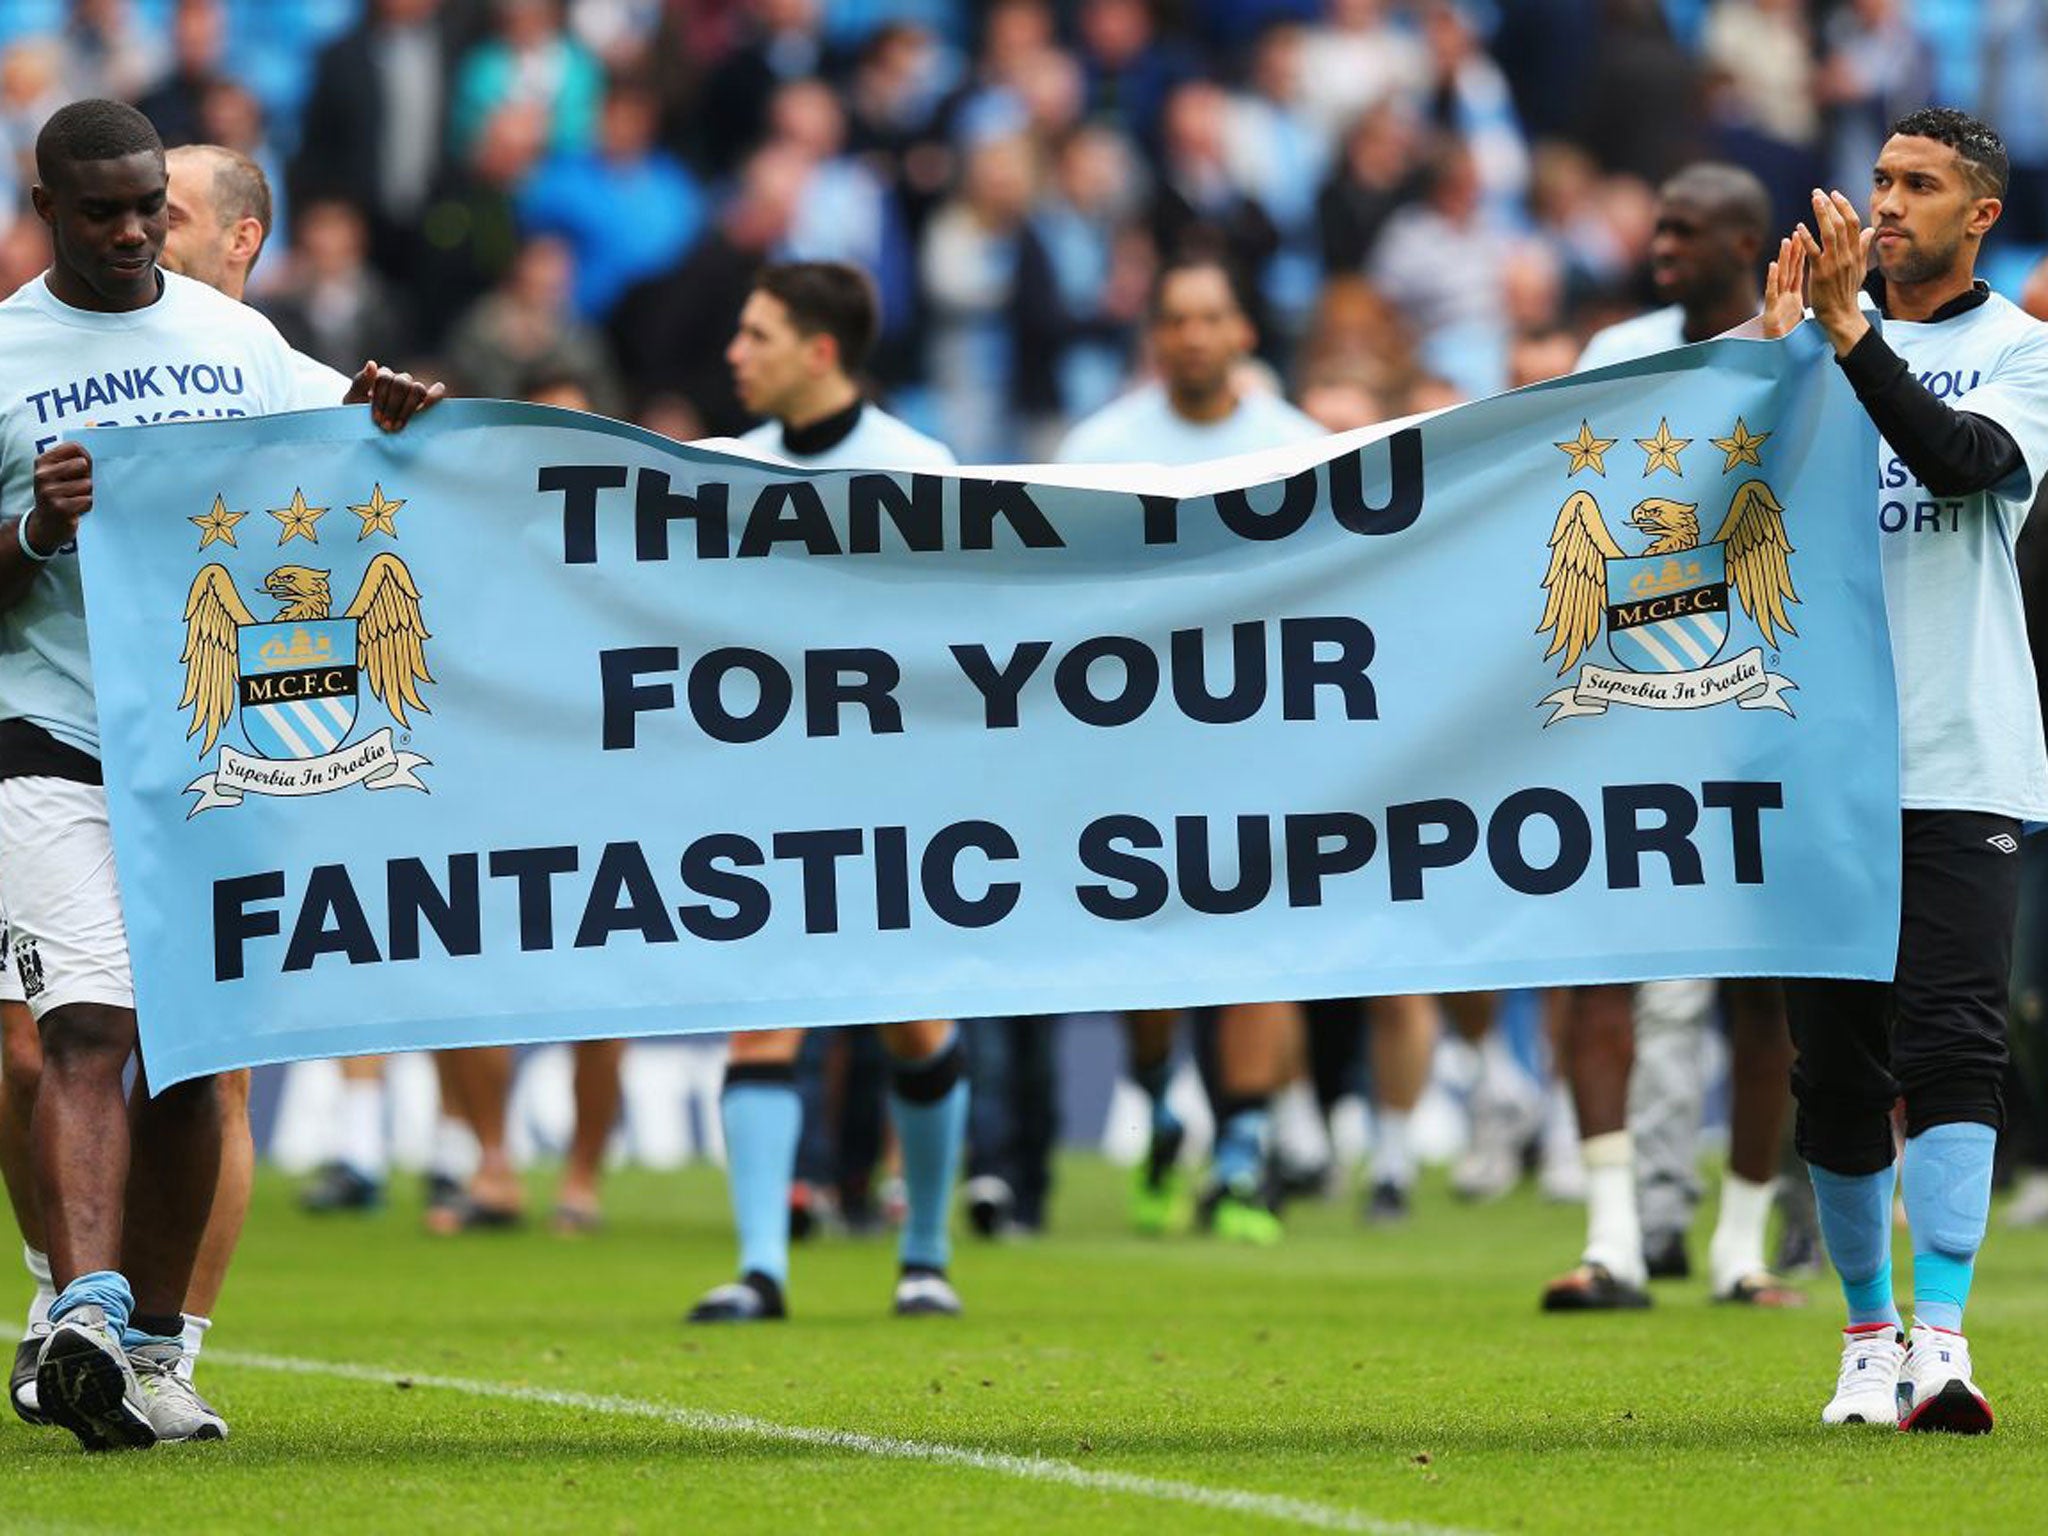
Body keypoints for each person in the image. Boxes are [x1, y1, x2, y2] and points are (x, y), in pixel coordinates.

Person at [0, 100, 438, 1452]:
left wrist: (406, 415)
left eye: (150, 206)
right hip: (53, 731)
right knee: (84, 1023)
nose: (134, 232)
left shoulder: (236, 340)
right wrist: (32, 526)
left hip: (220, 745)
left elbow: (364, 443)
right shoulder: (5, 353)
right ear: (48, 209)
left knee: (199, 1056)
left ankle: (150, 1349)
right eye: (103, 212)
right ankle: (81, 1305)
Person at [1762, 107, 2048, 1432]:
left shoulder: (2019, 356)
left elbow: (1963, 462)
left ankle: (1943, 1340)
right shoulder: (1805, 348)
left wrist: (1845, 339)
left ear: (1980, 214)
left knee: (1954, 1045)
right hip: (1817, 759)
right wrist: (1769, 358)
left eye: (1920, 184)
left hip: (1961, 749)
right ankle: (1864, 1341)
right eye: (1879, 178)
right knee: (1833, 1065)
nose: (1888, 202)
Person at [1543, 163, 1807, 1313]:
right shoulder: (1611, 354)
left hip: (1761, 706)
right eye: (1654, 224)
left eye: (1682, 228)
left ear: (1745, 241)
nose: (1657, 243)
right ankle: (1610, 1237)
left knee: (1764, 995)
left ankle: (1737, 1247)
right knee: (1603, 964)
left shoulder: (1803, 349)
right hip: (1631, 709)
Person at [687, 260, 968, 1324]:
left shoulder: (916, 466)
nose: (733, 354)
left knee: (907, 1021)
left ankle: (926, 1252)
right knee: (763, 1020)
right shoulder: (718, 471)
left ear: (818, 351)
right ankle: (761, 1267)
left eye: (755, 335)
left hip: (897, 792)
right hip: (767, 790)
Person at [1057, 252, 1323, 1244]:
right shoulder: (1099, 447)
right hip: (1135, 733)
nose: (1194, 336)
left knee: (1254, 935)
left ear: (1242, 332)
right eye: (1175, 319)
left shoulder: (1293, 441)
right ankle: (1160, 1100)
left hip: (1257, 727)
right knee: (1152, 949)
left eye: (1211, 317)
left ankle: (1242, 1153)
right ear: (1153, 338)